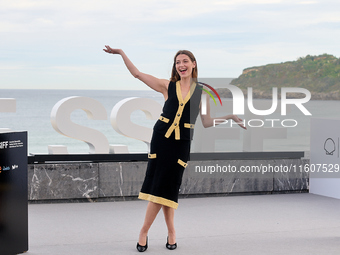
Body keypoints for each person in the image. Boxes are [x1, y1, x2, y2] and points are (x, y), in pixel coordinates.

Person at [103, 46, 246, 252]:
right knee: (160, 186)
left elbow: (206, 122)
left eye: (185, 61)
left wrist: (230, 117)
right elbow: (137, 74)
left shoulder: (202, 93)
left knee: (169, 187)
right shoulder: (167, 85)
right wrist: (121, 53)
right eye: (178, 62)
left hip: (181, 145)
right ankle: (146, 232)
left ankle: (168, 231)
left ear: (193, 64)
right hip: (161, 140)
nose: (181, 65)